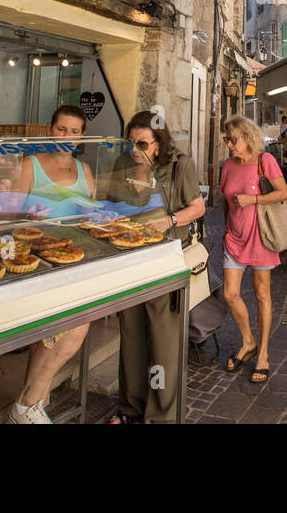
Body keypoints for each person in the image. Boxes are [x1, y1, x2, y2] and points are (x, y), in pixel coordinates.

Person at [109, 111, 205, 424]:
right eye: (131, 143)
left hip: (165, 261)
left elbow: (198, 206)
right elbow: (110, 204)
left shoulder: (180, 164)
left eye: (143, 144)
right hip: (128, 259)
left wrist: (169, 220)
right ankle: (130, 407)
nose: (136, 150)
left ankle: (161, 415)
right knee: (132, 337)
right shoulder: (122, 164)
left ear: (158, 144)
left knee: (164, 343)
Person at [9, 106, 98, 423]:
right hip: (38, 263)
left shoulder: (84, 169)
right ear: (50, 130)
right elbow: (9, 216)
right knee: (72, 329)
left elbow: (91, 216)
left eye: (74, 132)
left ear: (82, 136)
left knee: (52, 333)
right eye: (62, 129)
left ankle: (30, 398)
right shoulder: (30, 165)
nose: (67, 136)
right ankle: (28, 405)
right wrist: (30, 215)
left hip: (75, 259)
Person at [218, 115, 287, 384]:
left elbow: (282, 193)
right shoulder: (227, 165)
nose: (229, 145)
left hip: (260, 237)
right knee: (230, 293)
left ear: (248, 138)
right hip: (234, 237)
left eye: (233, 140)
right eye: (227, 140)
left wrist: (253, 199)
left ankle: (262, 354)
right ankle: (247, 340)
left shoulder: (265, 161)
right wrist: (227, 229)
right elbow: (225, 199)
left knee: (262, 295)